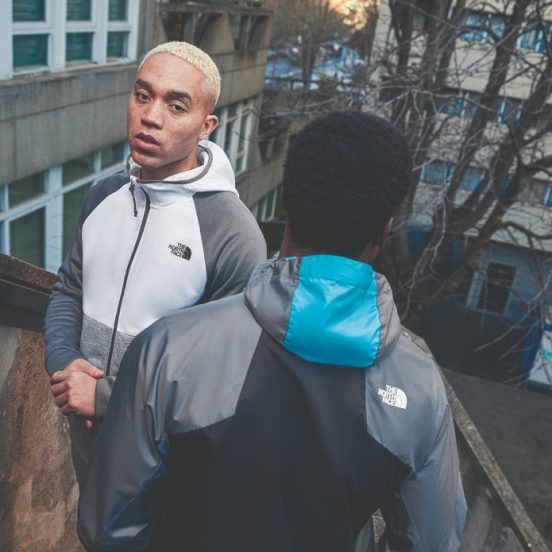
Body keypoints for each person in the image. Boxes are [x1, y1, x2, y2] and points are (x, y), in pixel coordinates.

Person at [77, 111, 467, 551]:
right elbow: (433, 541)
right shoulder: (421, 390)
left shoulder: (169, 349)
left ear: (283, 198)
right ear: (385, 230)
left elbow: (107, 527)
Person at [44, 41, 266, 486]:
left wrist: (105, 397)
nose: (150, 116)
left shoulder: (232, 234)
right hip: (87, 438)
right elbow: (68, 290)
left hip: (167, 466)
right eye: (143, 95)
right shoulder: (102, 196)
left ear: (206, 126)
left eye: (176, 106)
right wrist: (65, 364)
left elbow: (224, 374)